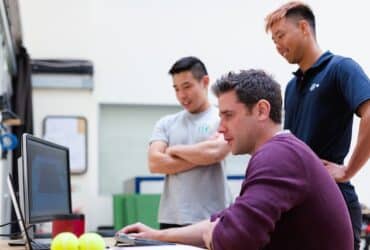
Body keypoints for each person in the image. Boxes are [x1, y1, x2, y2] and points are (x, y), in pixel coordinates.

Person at [120, 69, 353, 250]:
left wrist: (217, 235)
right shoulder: (281, 152)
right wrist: (156, 235)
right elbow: (223, 222)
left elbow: (233, 240)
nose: (221, 128)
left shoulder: (278, 157)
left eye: (228, 116)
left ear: (261, 110)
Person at [265, 2, 370, 249]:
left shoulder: (341, 68)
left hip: (334, 200)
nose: (278, 46)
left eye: (281, 36)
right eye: (273, 41)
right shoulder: (291, 87)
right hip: (296, 204)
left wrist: (347, 171)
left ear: (303, 27)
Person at [148, 56, 232, 229]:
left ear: (205, 82)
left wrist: (173, 150)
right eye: (176, 89)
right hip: (172, 218)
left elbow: (216, 152)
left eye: (187, 86)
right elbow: (154, 163)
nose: (181, 95)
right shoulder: (166, 123)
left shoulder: (222, 118)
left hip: (211, 217)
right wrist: (201, 155)